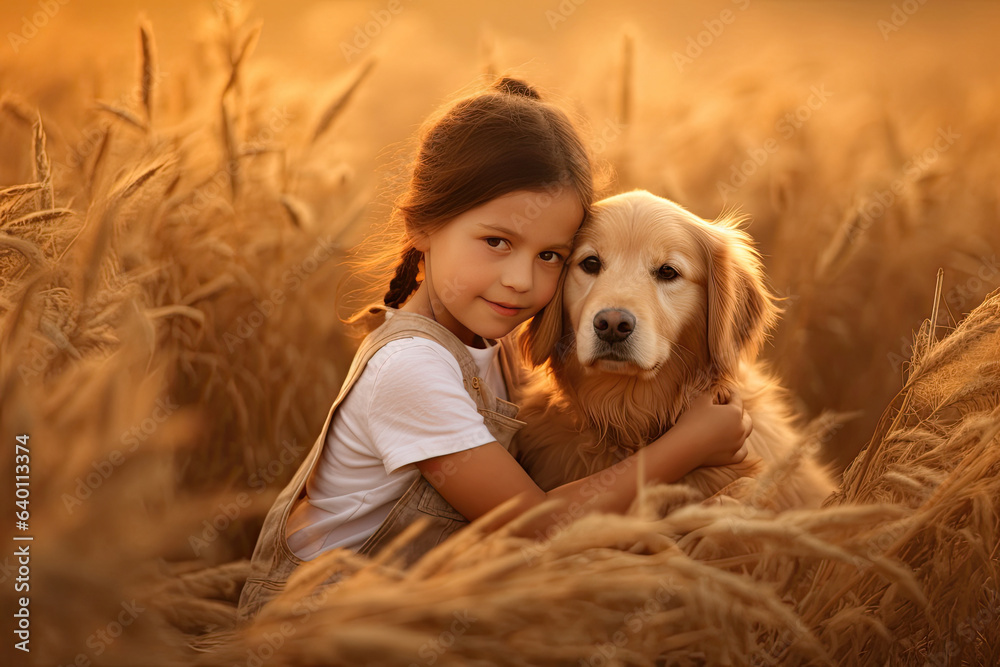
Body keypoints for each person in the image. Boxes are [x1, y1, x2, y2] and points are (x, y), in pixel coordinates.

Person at [236, 75, 751, 623]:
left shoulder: (495, 344)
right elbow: (537, 528)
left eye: (551, 256)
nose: (519, 280)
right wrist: (690, 444)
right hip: (321, 632)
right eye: (497, 242)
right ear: (423, 225)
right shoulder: (409, 369)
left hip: (417, 616)